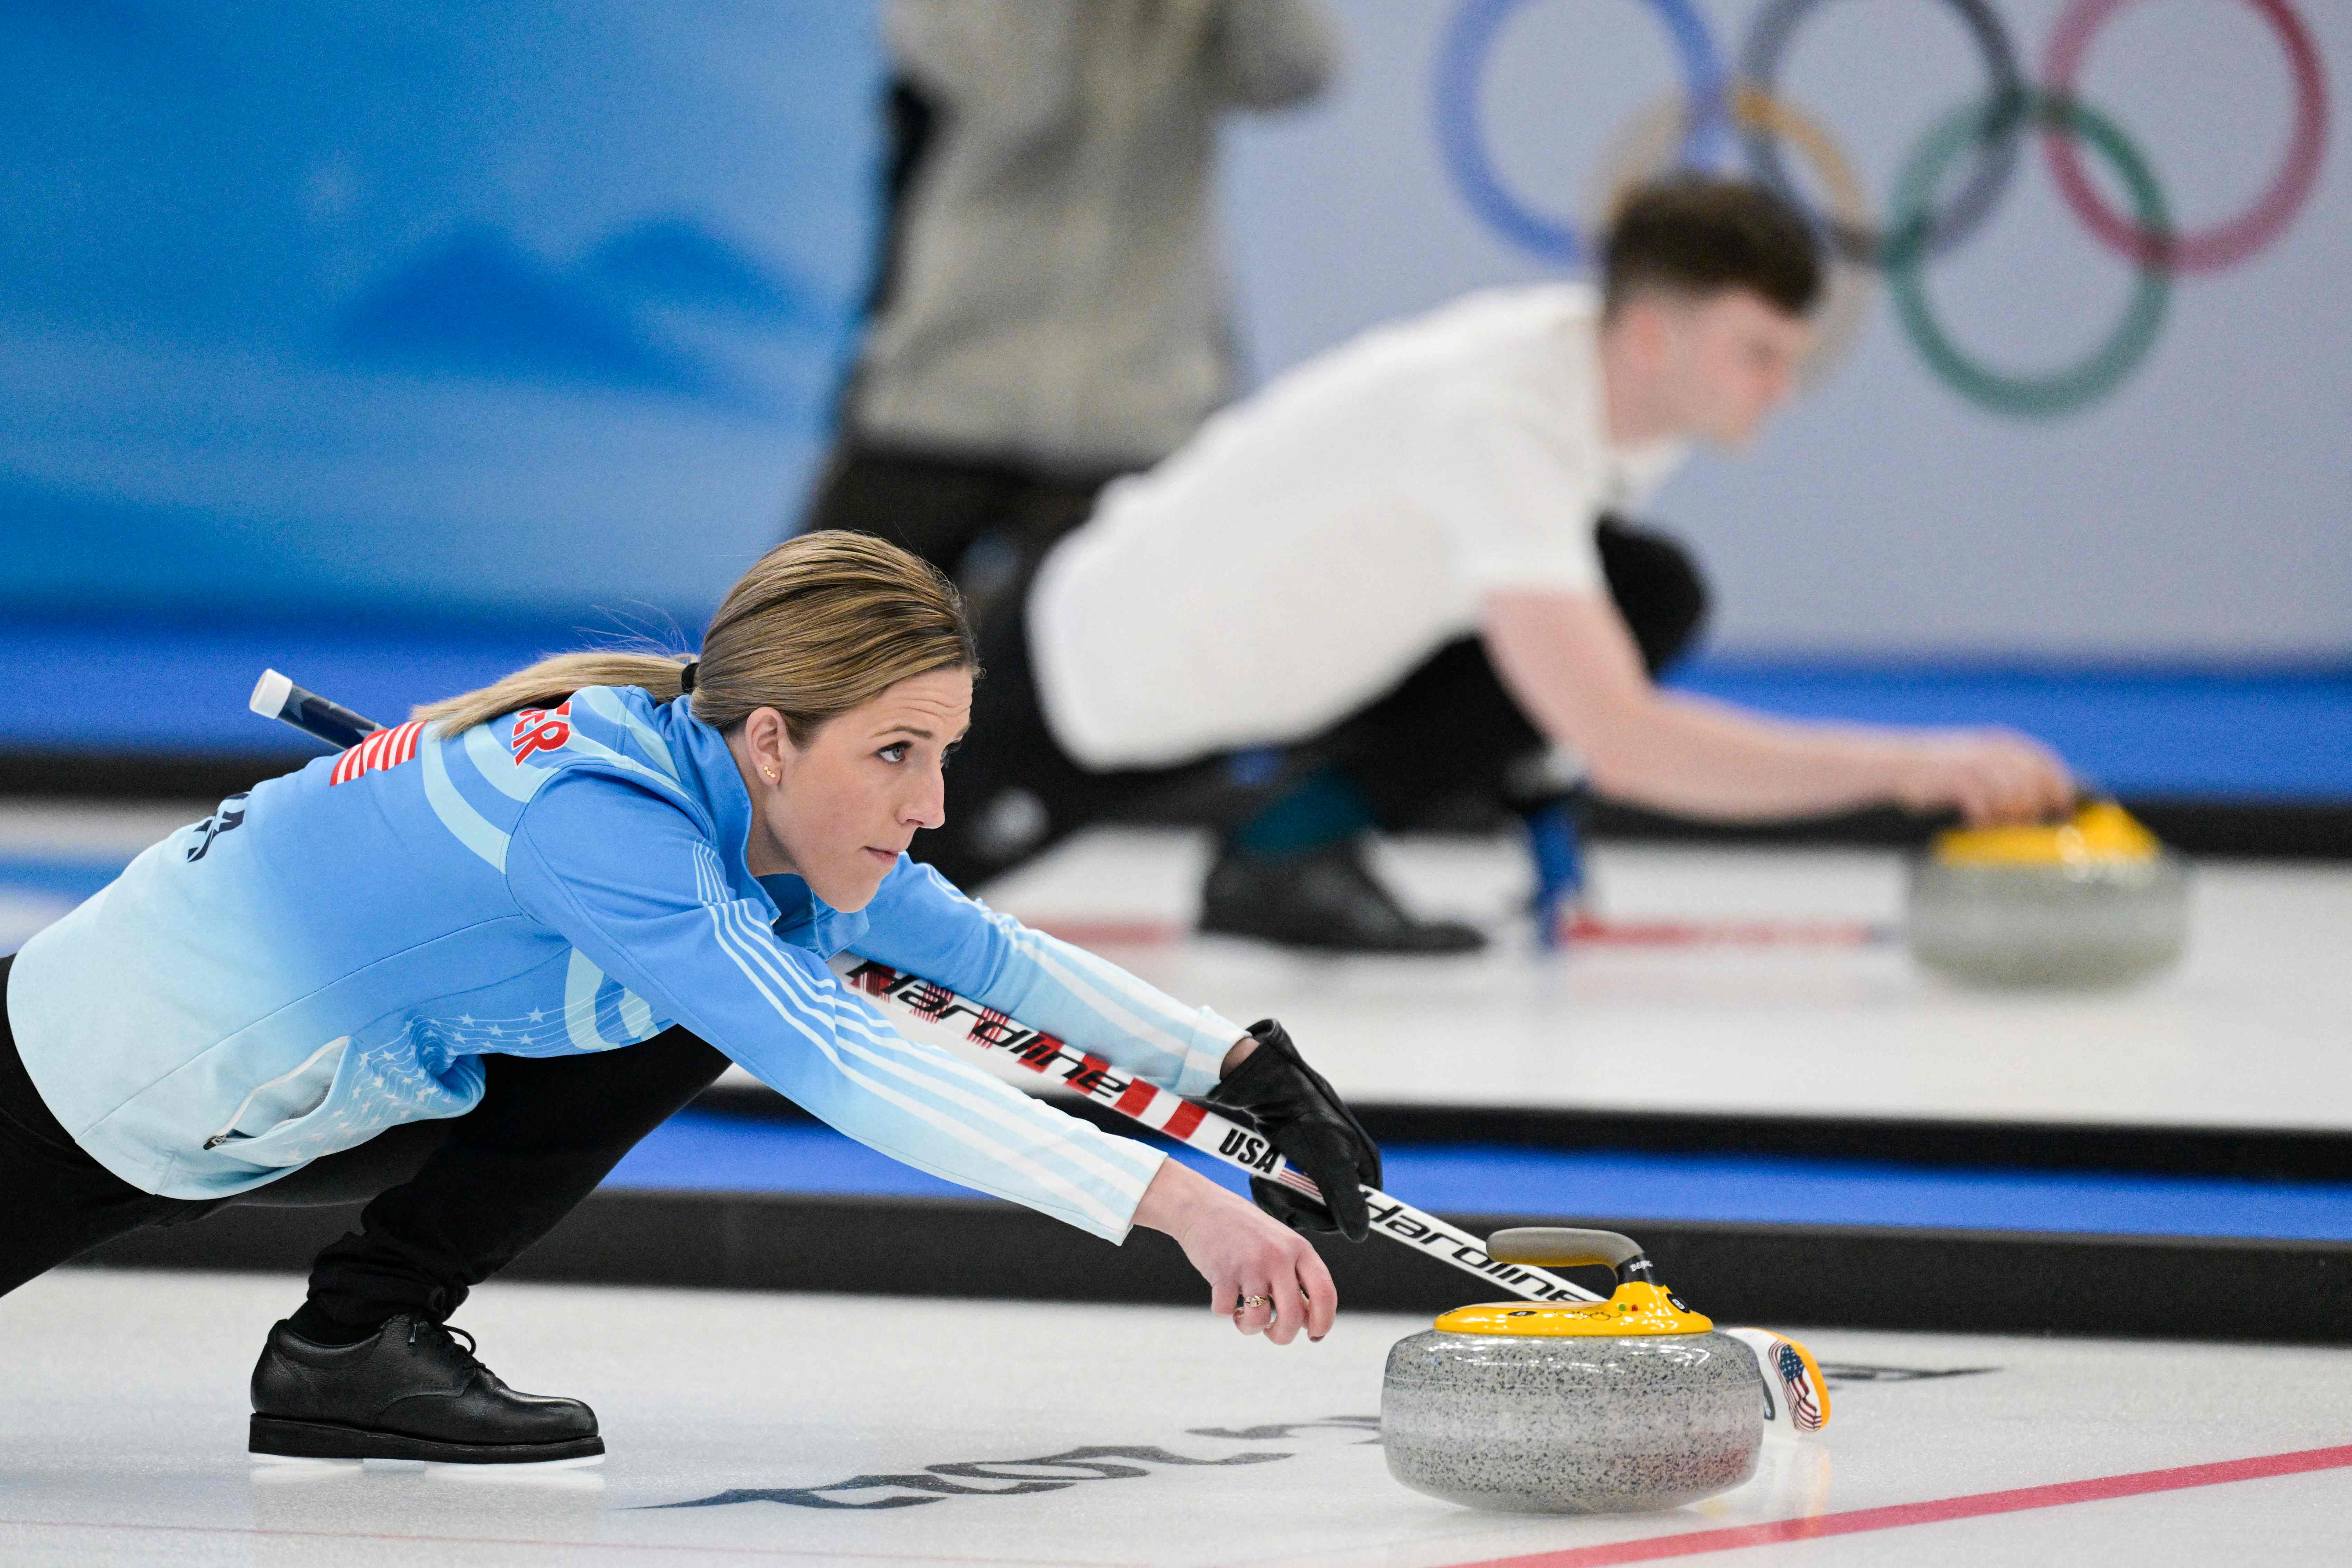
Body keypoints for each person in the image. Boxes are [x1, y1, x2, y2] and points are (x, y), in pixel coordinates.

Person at [0, 532, 1379, 1464]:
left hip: (244, 1091)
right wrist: (1179, 1199)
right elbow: (843, 1057)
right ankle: (350, 1342)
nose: (933, 801)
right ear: (776, 738)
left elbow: (971, 947)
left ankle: (352, 1343)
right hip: (94, 1084)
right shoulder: (606, 823)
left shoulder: (719, 777)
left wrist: (1242, 1066)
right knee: (726, 987)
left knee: (709, 984)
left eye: (941, 753)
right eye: (899, 753)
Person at [911, 177, 2076, 947]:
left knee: (1642, 588)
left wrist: (1529, 759)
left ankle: (1291, 841)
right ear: (1656, 333)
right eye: (1757, 353)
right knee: (813, 895)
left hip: (1250, 681)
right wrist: (1913, 763)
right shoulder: (1500, 420)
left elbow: (1557, 659)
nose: (1781, 388)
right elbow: (1627, 736)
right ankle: (1275, 844)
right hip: (1082, 684)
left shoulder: (1618, 399)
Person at [804, 0, 1340, 608]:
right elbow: (1020, 93)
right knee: (803, 668)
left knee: (1125, 687)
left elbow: (1300, 70)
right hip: (940, 398)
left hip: (1140, 411)